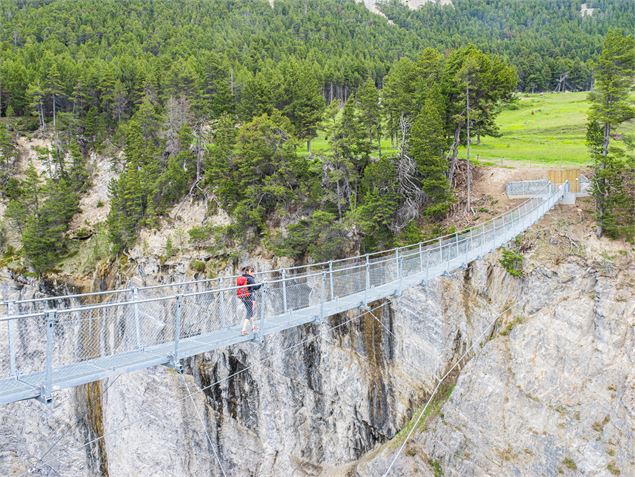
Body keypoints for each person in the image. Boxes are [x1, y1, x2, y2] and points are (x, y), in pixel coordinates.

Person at [237, 265, 261, 336]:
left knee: (249, 311)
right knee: (249, 312)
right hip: (250, 297)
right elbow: (255, 287)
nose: (252, 273)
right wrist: (261, 284)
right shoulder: (250, 279)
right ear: (247, 271)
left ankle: (253, 327)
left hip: (243, 297)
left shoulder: (242, 277)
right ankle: (243, 330)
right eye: (251, 271)